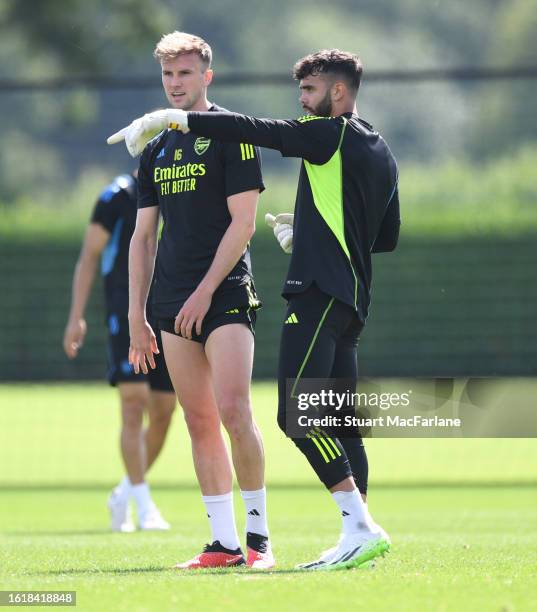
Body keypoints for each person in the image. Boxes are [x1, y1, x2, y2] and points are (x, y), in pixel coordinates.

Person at [108, 47, 400, 570]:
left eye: (309, 91)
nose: (302, 102)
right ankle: (357, 531)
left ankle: (356, 524)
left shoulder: (326, 132)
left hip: (318, 293)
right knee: (336, 415)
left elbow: (262, 130)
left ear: (337, 92)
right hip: (351, 297)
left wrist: (176, 118)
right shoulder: (379, 148)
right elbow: (385, 235)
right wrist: (307, 233)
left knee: (296, 414)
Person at [125, 32, 274, 569]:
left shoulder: (232, 134)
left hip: (226, 293)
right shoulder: (156, 145)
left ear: (207, 76)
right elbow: (143, 239)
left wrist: (206, 291)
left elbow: (245, 223)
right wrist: (137, 316)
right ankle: (223, 544)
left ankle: (259, 541)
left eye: (185, 74)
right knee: (198, 419)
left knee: (236, 410)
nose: (175, 84)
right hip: (169, 303)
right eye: (168, 75)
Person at [63, 171, 175, 532]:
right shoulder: (116, 196)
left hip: (165, 311)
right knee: (134, 403)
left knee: (163, 411)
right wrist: (76, 316)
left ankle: (124, 492)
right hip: (123, 313)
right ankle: (144, 506)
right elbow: (89, 256)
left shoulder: (177, 190)